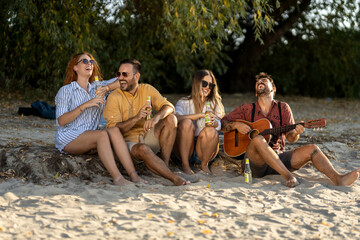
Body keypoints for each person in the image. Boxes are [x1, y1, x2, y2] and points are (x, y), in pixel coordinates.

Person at [221, 72, 360, 187]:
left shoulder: (283, 108)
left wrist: (296, 132)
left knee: (312, 148)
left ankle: (338, 179)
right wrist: (235, 125)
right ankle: (289, 176)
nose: (260, 82)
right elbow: (222, 123)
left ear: (273, 89)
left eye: (264, 80)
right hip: (254, 163)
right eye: (258, 82)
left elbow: (291, 138)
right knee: (258, 139)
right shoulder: (247, 108)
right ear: (256, 92)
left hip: (279, 157)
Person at [55, 52, 146, 186]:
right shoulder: (66, 90)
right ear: (75, 67)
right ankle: (118, 178)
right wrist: (86, 104)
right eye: (84, 61)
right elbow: (61, 121)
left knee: (114, 130)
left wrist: (107, 88)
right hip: (69, 136)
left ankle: (133, 175)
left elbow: (120, 81)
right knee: (102, 135)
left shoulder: (98, 87)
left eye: (91, 62)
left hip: (90, 134)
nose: (89, 64)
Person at [103, 59, 190, 186]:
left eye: (125, 74)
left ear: (136, 76)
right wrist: (137, 117)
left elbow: (169, 106)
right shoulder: (114, 97)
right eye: (119, 74)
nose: (120, 78)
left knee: (171, 119)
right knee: (143, 148)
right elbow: (113, 130)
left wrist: (156, 118)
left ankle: (164, 165)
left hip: (147, 135)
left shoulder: (147, 89)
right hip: (128, 143)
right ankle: (174, 178)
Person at [174, 70, 225, 174]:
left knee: (211, 130)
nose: (207, 88)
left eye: (210, 85)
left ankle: (204, 165)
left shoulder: (214, 104)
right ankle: (185, 165)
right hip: (185, 147)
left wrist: (215, 123)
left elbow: (220, 124)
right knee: (186, 123)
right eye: (204, 84)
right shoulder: (184, 102)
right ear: (197, 83)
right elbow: (176, 119)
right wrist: (199, 115)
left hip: (204, 149)